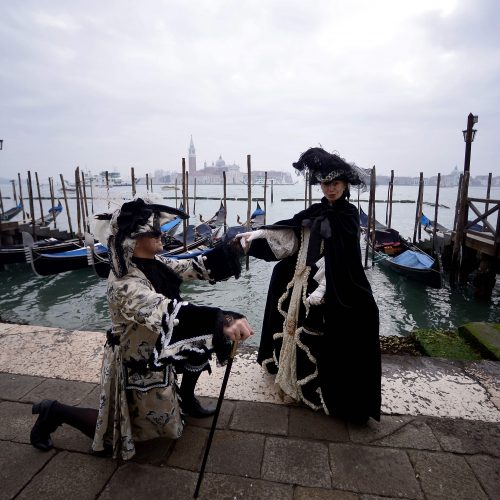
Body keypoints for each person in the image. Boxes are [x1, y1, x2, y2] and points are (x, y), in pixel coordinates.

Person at [30, 197, 253, 460]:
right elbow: (166, 313)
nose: (161, 233)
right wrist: (223, 320)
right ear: (132, 240)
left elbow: (194, 265)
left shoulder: (156, 263)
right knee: (117, 435)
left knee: (197, 348)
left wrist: (234, 248)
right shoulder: (124, 284)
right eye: (152, 231)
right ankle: (53, 411)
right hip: (134, 358)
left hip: (158, 345)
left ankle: (187, 400)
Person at [237, 147, 381, 423]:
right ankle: (292, 381)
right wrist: (257, 233)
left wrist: (324, 286)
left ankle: (325, 394)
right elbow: (289, 233)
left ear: (345, 185)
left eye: (335, 184)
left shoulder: (349, 216)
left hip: (332, 285)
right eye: (326, 184)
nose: (330, 189)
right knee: (293, 329)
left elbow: (345, 257)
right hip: (302, 282)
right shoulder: (316, 211)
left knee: (335, 330)